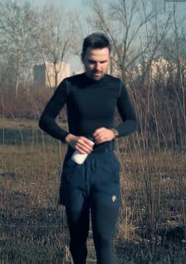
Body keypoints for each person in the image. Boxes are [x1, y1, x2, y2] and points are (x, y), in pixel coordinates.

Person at [39, 32, 137, 263]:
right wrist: (69, 138)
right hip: (76, 170)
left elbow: (132, 121)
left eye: (103, 61)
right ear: (83, 58)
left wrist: (113, 132)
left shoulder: (116, 86)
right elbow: (45, 120)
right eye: (92, 61)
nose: (97, 67)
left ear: (109, 58)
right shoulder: (70, 85)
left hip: (106, 170)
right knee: (77, 240)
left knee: (104, 240)